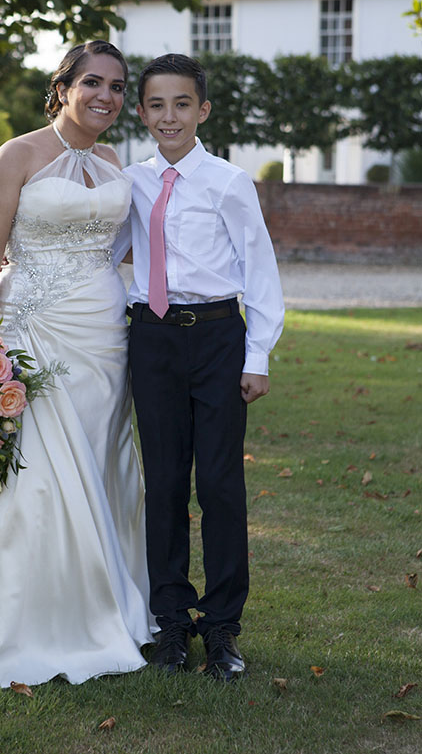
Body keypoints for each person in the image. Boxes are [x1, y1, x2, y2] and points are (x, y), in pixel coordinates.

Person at [0, 41, 155, 693]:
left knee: (100, 465)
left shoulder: (108, 160)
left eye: (118, 86)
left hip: (104, 337)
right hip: (35, 335)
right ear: (63, 86)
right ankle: (28, 623)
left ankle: (107, 606)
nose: (107, 96)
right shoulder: (16, 155)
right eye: (93, 82)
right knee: (38, 478)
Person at [119, 53, 284, 679]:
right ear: (142, 113)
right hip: (152, 341)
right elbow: (103, 254)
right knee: (162, 484)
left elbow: (260, 269)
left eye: (182, 103)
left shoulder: (228, 182)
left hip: (216, 338)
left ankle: (221, 628)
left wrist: (257, 355)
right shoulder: (127, 182)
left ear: (203, 110)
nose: (170, 116)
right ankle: (169, 623)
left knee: (218, 485)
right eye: (157, 105)